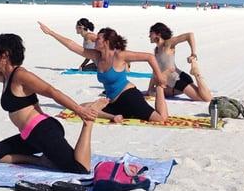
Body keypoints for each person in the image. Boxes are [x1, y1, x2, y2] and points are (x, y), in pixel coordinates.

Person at [0, 34, 108, 173]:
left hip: (44, 130)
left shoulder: (21, 75)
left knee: (79, 169)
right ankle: (41, 161)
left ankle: (88, 124)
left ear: (5, 55)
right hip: (30, 136)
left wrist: (79, 110)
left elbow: (51, 92)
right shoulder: (5, 76)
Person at [38, 22, 169, 123]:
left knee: (160, 119)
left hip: (129, 97)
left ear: (106, 42)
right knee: (83, 108)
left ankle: (159, 89)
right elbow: (72, 46)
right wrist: (50, 32)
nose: (95, 40)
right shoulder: (96, 56)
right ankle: (113, 117)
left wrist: (159, 76)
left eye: (98, 38)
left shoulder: (120, 56)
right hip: (112, 101)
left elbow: (149, 57)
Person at [147, 22, 212, 102]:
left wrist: (193, 53)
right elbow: (155, 71)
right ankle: (193, 76)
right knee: (153, 91)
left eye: (151, 33)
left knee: (205, 98)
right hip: (174, 81)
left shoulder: (168, 43)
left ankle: (196, 73)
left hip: (178, 81)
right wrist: (149, 89)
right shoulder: (156, 50)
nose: (149, 36)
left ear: (158, 34)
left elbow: (189, 35)